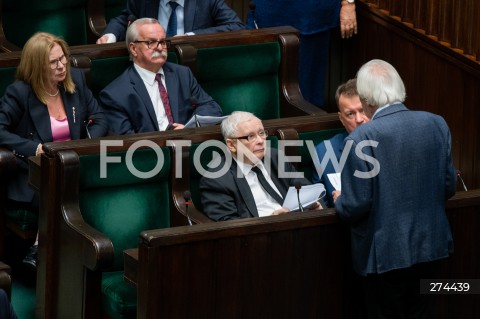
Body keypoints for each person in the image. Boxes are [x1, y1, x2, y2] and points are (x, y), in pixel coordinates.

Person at [333, 59, 456, 318]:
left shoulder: (360, 139)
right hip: (431, 246)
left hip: (385, 256)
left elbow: (356, 205)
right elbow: (448, 186)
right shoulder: (437, 124)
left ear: (366, 98)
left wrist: (340, 200)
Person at [0, 32, 109, 270]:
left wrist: (85, 144)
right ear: (37, 66)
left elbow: (99, 117)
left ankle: (50, 250)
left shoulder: (75, 81)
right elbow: (1, 130)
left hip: (76, 164)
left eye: (63, 59)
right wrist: (33, 148)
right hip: (37, 175)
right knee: (61, 187)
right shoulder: (20, 93)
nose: (62, 66)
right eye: (53, 62)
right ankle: (52, 251)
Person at [99, 18, 223, 135]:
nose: (160, 48)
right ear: (133, 48)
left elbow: (211, 107)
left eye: (162, 42)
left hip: (189, 148)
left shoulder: (182, 74)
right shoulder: (115, 94)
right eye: (151, 42)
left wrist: (188, 129)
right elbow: (126, 142)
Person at [200, 111, 322, 221]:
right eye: (251, 136)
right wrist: (270, 223)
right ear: (231, 145)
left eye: (261, 133)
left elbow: (308, 191)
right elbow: (230, 227)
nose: (260, 140)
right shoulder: (216, 180)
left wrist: (317, 207)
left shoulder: (275, 157)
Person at [247, 0, 357, 109]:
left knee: (308, 98)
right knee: (263, 93)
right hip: (268, 16)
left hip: (312, 19)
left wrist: (349, 3)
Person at [312, 79, 368, 207]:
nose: (359, 119)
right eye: (350, 114)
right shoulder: (323, 152)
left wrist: (349, 201)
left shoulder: (389, 143)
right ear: (341, 119)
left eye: (363, 110)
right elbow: (321, 205)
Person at [97, 0, 245, 44]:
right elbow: (125, 19)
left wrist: (191, 37)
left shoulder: (206, 1)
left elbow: (236, 27)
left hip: (192, 67)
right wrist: (111, 35)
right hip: (150, 65)